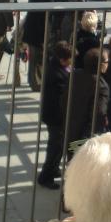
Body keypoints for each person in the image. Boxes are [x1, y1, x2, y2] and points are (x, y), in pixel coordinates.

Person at [38, 41, 73, 190]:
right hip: (56, 118)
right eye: (70, 58)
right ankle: (46, 176)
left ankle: (54, 168)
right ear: (62, 59)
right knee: (55, 147)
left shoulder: (56, 66)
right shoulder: (57, 75)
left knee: (57, 146)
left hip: (53, 116)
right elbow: (60, 101)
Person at [23, 0, 60, 91]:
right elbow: (45, 13)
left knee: (38, 59)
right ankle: (36, 84)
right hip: (37, 31)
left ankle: (35, 82)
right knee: (37, 59)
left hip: (36, 30)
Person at [67, 48, 111, 141]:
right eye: (107, 61)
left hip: (69, 130)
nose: (108, 64)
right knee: (79, 153)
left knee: (72, 154)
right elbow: (99, 115)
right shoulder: (101, 86)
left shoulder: (74, 75)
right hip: (85, 137)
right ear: (101, 65)